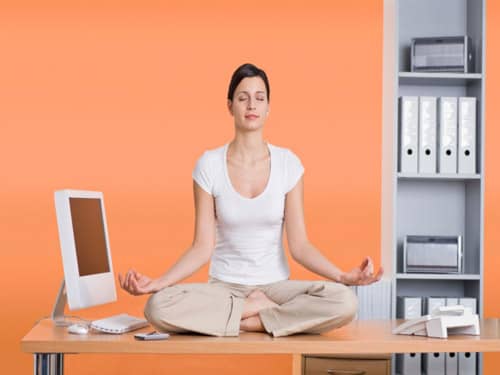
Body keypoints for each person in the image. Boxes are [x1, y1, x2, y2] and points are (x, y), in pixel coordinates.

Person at [119, 63, 383, 337]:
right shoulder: (209, 165)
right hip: (224, 289)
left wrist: (343, 277)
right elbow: (201, 247)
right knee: (158, 306)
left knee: (345, 301)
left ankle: (248, 321)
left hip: (275, 289)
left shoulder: (288, 164)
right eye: (243, 98)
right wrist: (158, 283)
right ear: (230, 105)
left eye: (259, 98)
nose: (251, 105)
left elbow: (300, 246)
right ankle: (259, 313)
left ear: (268, 108)